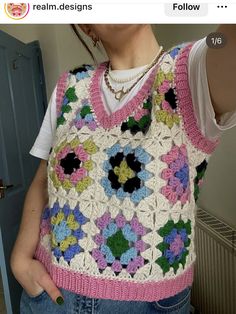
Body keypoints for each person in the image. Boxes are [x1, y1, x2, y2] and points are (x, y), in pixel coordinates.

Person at [10, 25, 236, 314]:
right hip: (50, 294)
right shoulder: (70, 87)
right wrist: (19, 258)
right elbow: (43, 178)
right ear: (87, 25)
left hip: (150, 304)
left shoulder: (190, 72)